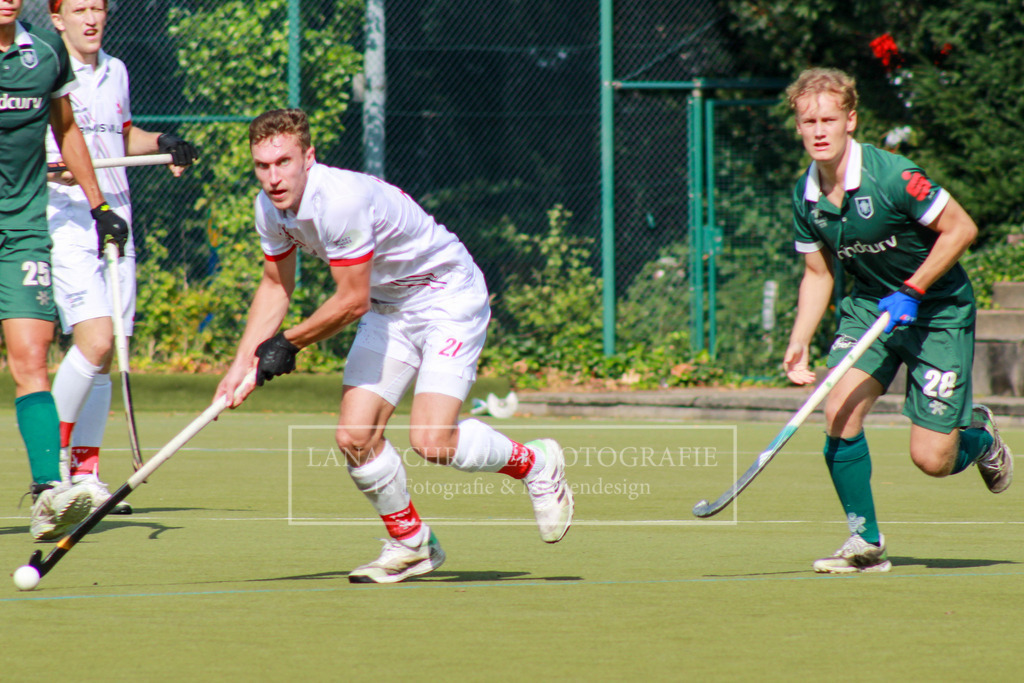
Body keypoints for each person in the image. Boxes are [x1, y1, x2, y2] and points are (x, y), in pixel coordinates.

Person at [217, 108, 574, 584]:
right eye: (262, 166)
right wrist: (241, 364)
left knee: (431, 440)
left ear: (309, 157)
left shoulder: (338, 200)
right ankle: (412, 545)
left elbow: (350, 301)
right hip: (391, 307)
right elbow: (275, 286)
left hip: (445, 295)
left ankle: (537, 464)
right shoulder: (269, 210)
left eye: (284, 162)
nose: (274, 177)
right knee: (354, 436)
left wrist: (287, 343)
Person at [782, 67, 1012, 574]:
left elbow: (962, 228)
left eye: (828, 119)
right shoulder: (807, 197)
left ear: (850, 121)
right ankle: (864, 541)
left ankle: (981, 439)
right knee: (838, 410)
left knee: (932, 459)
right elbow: (817, 275)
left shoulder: (893, 176)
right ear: (798, 127)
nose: (819, 130)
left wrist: (913, 289)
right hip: (870, 309)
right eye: (808, 121)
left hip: (937, 311)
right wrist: (799, 340)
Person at [45, 0, 198, 514]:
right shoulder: (42, 69)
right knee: (95, 340)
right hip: (67, 223)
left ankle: (85, 475)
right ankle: (51, 470)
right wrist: (53, 168)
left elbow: (121, 133)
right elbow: (33, 148)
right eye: (79, 8)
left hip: (118, 222)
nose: (91, 18)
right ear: (56, 18)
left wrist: (163, 141)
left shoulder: (117, 71)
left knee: (106, 353)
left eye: (98, 8)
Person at [0, 0, 130, 540]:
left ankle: (49, 491)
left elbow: (68, 127)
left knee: (32, 358)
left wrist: (100, 207)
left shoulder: (47, 53)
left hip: (25, 230)